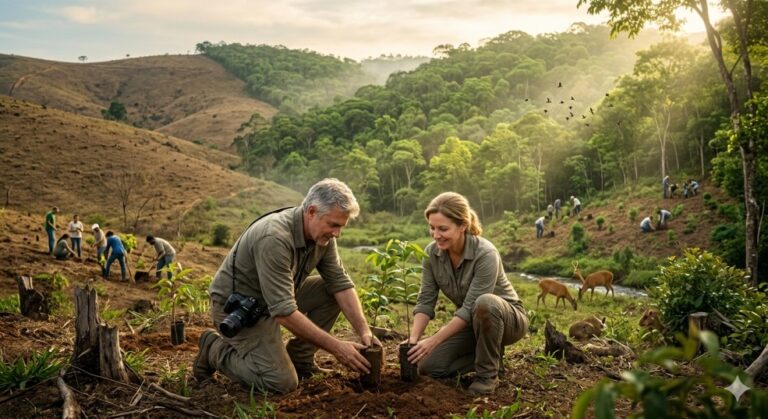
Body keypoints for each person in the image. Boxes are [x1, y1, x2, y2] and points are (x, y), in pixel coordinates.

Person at [194, 178, 380, 394]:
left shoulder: (323, 237)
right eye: (334, 225)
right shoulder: (274, 237)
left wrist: (364, 331)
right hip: (240, 307)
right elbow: (284, 312)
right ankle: (213, 349)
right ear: (311, 211)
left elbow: (339, 282)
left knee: (330, 291)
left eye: (341, 226)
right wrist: (338, 349)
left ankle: (300, 358)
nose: (337, 233)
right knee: (281, 383)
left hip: (277, 296)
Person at [406, 192, 528, 395]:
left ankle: (487, 375)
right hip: (472, 323)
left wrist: (433, 340)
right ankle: (488, 355)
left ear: (463, 225)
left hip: (508, 321)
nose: (436, 235)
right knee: (428, 366)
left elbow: (472, 307)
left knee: (485, 303)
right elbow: (426, 299)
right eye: (432, 228)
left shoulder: (486, 253)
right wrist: (414, 339)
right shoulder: (431, 253)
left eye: (443, 229)